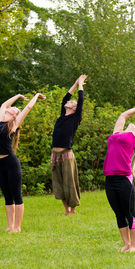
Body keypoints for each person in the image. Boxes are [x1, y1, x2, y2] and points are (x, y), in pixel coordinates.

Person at [0, 92, 46, 232]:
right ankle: (10, 226)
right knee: (7, 196)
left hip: (10, 163)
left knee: (16, 195)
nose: (11, 107)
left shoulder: (14, 124)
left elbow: (27, 108)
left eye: (15, 109)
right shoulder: (0, 121)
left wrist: (36, 96)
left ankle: (18, 227)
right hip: (0, 164)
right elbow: (4, 104)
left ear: (15, 115)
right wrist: (18, 95)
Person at [104, 103, 135, 252]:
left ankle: (134, 246)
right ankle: (126, 244)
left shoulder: (134, 136)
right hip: (110, 179)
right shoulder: (116, 134)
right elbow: (123, 115)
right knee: (119, 214)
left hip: (124, 179)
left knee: (129, 213)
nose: (131, 124)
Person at [50, 75, 87, 215]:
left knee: (70, 183)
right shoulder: (61, 117)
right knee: (59, 184)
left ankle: (73, 210)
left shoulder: (75, 118)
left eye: (73, 102)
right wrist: (76, 83)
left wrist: (81, 85)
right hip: (55, 154)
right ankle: (66, 211)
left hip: (66, 153)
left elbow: (81, 101)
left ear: (74, 108)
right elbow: (65, 97)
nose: (69, 101)